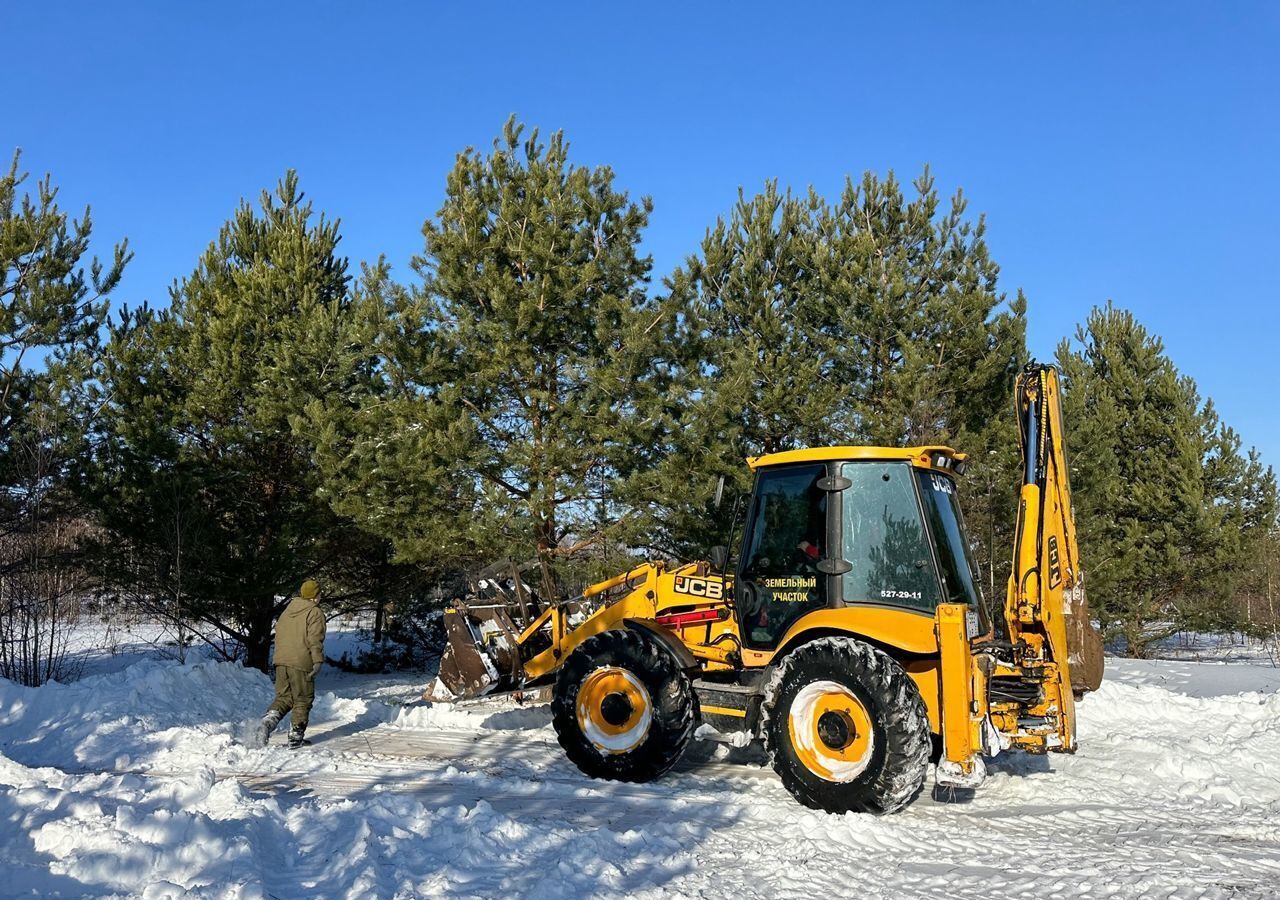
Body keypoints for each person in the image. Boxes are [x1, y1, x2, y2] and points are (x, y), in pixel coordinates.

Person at [258, 579, 326, 748]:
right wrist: (317, 660)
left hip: (281, 660)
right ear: (316, 596)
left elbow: (279, 633)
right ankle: (296, 737)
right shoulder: (314, 612)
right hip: (301, 661)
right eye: (319, 593)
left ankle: (267, 722)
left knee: (284, 697)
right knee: (302, 698)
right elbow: (314, 639)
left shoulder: (288, 610)